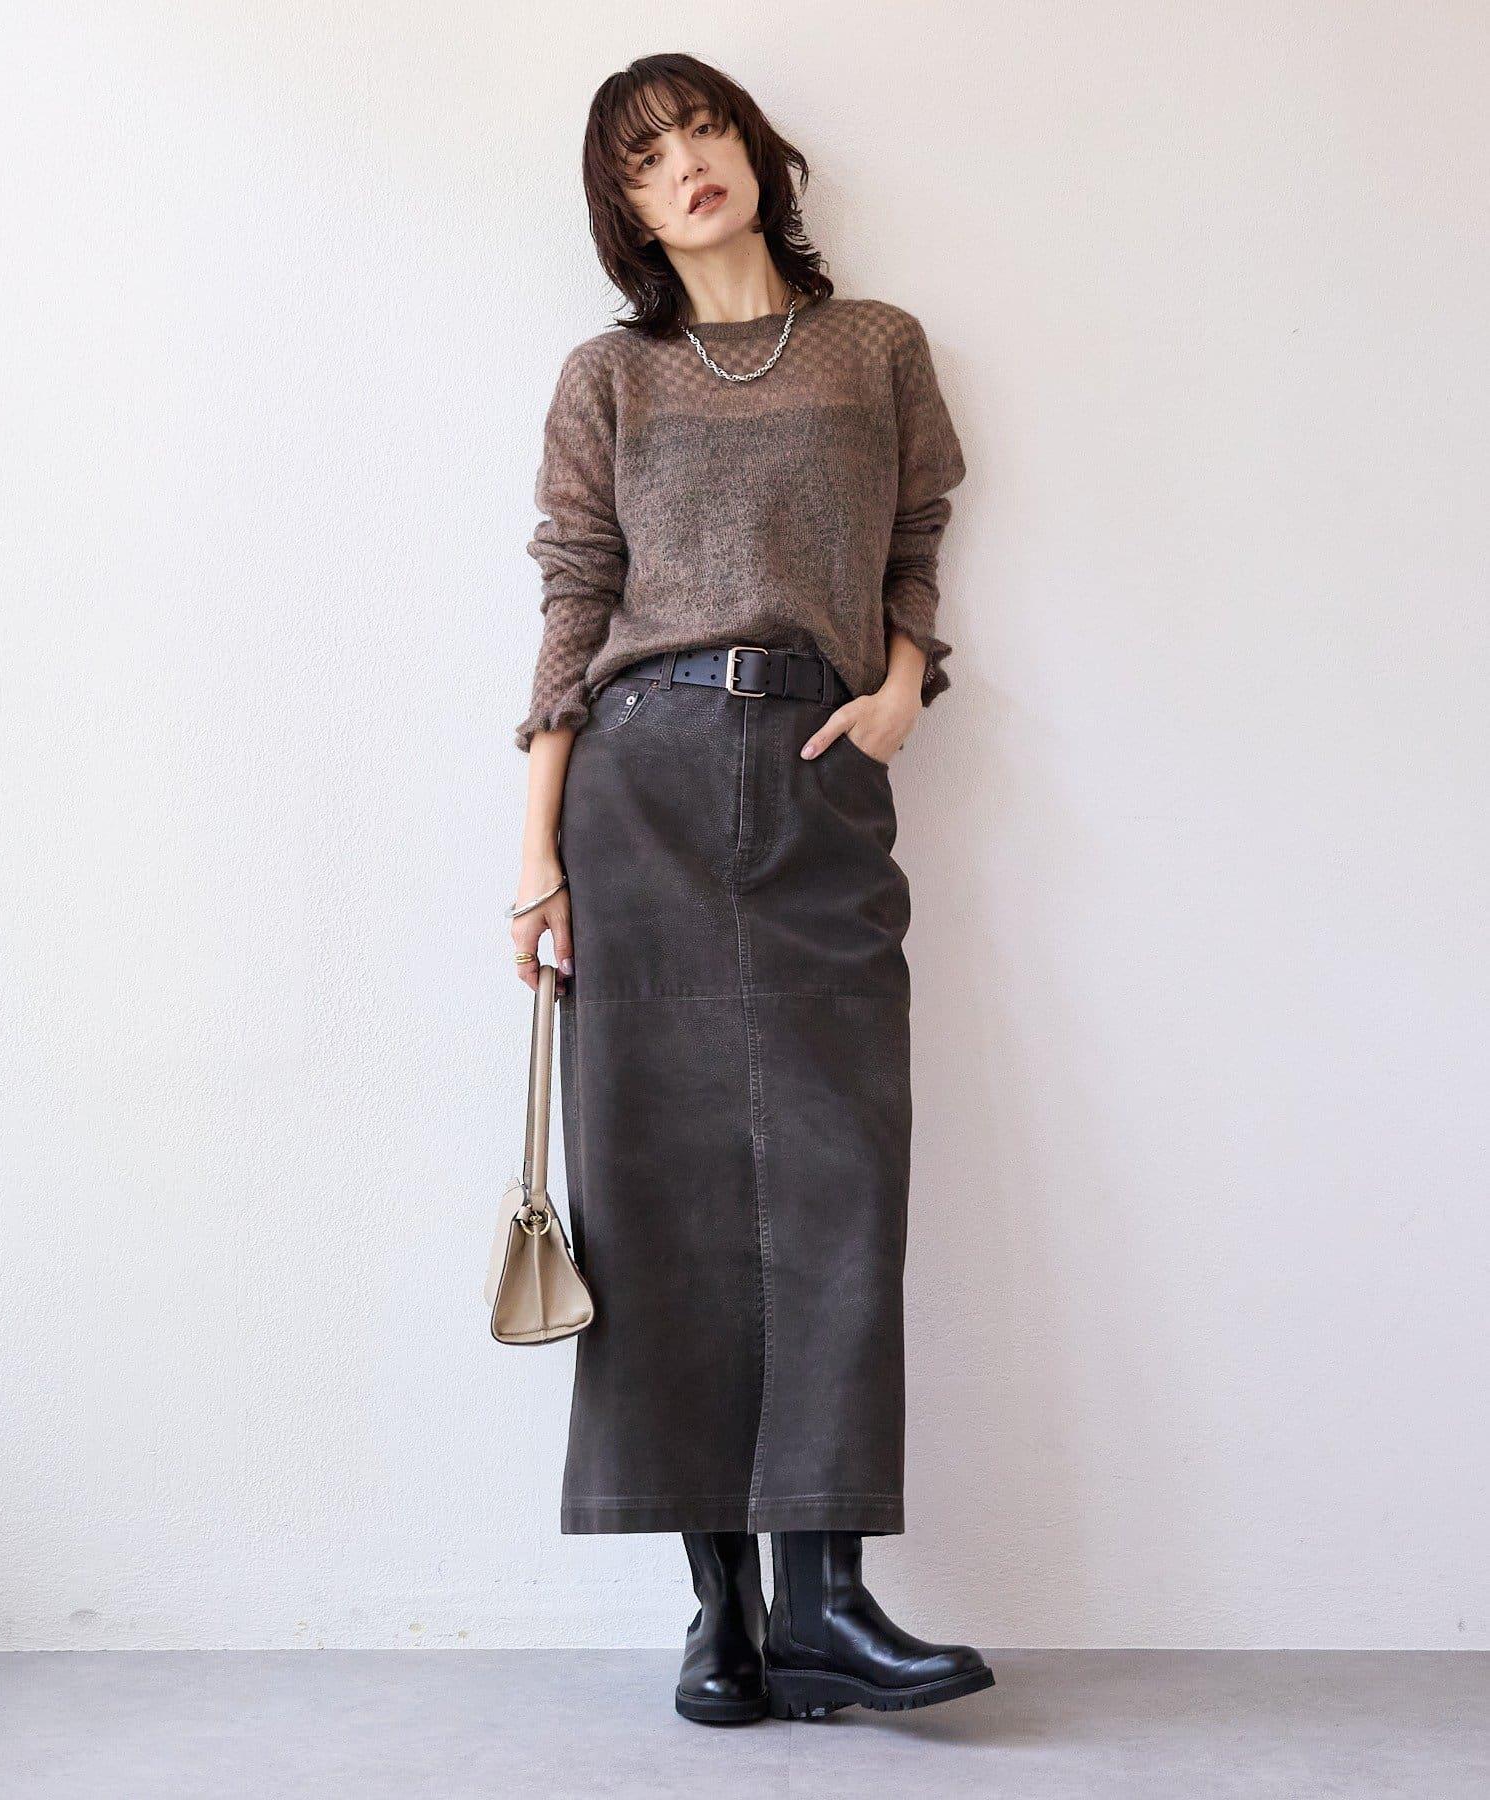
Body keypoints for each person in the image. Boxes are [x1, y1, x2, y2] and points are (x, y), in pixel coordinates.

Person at [508, 52, 992, 1726]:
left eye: (702, 129)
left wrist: (904, 686)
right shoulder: (609, 377)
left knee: (843, 1175)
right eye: (645, 159)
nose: (687, 166)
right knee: (657, 1186)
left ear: (755, 149)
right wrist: (532, 859)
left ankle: (828, 1603)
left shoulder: (878, 347)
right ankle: (720, 1612)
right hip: (636, 781)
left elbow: (915, 536)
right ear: (626, 212)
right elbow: (575, 600)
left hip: (816, 771)